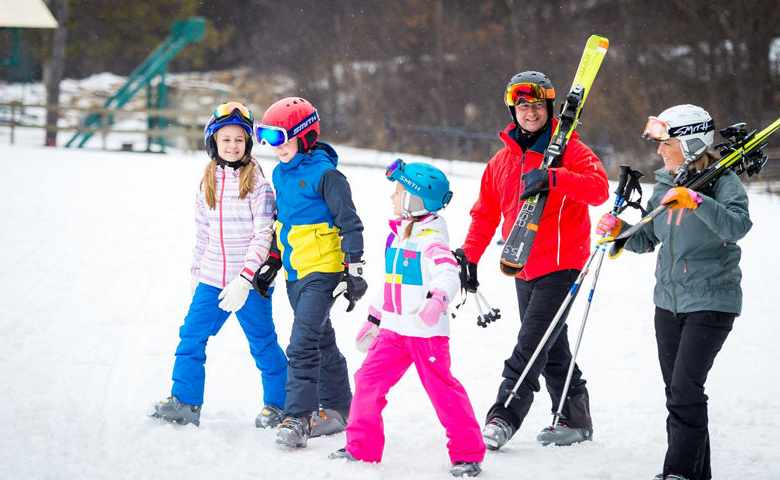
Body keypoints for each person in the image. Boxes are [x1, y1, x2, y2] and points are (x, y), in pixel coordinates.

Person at [596, 104, 752, 480]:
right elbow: (648, 238)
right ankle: (697, 473)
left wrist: (697, 201)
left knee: (685, 388)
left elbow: (736, 226)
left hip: (712, 300)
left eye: (666, 143)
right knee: (679, 394)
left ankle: (677, 472)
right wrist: (619, 231)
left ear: (690, 142)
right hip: (667, 303)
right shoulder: (665, 184)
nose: (659, 151)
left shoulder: (723, 182)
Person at [459, 71, 609, 450]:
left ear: (549, 108)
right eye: (523, 106)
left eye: (537, 105)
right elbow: (485, 215)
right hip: (521, 264)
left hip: (563, 264)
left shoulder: (571, 150)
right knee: (549, 344)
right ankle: (575, 416)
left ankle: (504, 415)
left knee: (531, 343)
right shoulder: (502, 161)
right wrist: (469, 257)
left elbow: (599, 189)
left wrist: (554, 178)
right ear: (514, 110)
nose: (530, 112)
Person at [329, 160, 485, 478]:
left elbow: (448, 274)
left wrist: (437, 301)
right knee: (368, 382)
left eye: (398, 192)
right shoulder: (399, 237)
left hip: (426, 333)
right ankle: (362, 448)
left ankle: (467, 454)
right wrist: (374, 318)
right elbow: (391, 284)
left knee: (442, 390)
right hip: (394, 331)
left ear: (416, 200)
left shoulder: (432, 242)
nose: (392, 198)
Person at [151, 101, 288, 428]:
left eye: (239, 140)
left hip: (250, 283)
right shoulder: (207, 181)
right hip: (211, 278)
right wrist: (197, 275)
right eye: (226, 139)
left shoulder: (258, 183)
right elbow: (203, 233)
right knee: (191, 337)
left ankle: (279, 405)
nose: (232, 145)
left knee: (262, 343)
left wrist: (244, 279)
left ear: (248, 144)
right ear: (214, 142)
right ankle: (185, 401)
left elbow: (263, 235)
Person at [253, 96, 366, 448]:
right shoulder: (279, 173)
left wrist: (354, 270)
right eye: (268, 139)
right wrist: (273, 260)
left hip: (325, 271)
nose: (276, 147)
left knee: (301, 344)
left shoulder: (327, 175)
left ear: (305, 135)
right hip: (295, 272)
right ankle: (338, 407)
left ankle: (297, 417)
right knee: (320, 338)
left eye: (281, 138)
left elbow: (351, 224)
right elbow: (280, 222)